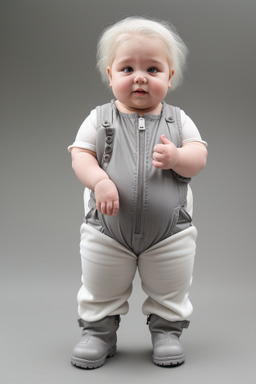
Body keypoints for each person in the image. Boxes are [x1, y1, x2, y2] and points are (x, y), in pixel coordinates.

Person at [68, 16, 207, 369]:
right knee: (101, 283)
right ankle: (99, 332)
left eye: (153, 69)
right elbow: (80, 155)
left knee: (171, 285)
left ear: (169, 77)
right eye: (128, 68)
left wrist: (177, 157)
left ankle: (166, 331)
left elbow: (198, 158)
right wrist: (99, 181)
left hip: (170, 232)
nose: (140, 77)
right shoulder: (98, 118)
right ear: (110, 74)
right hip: (107, 229)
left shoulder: (179, 121)